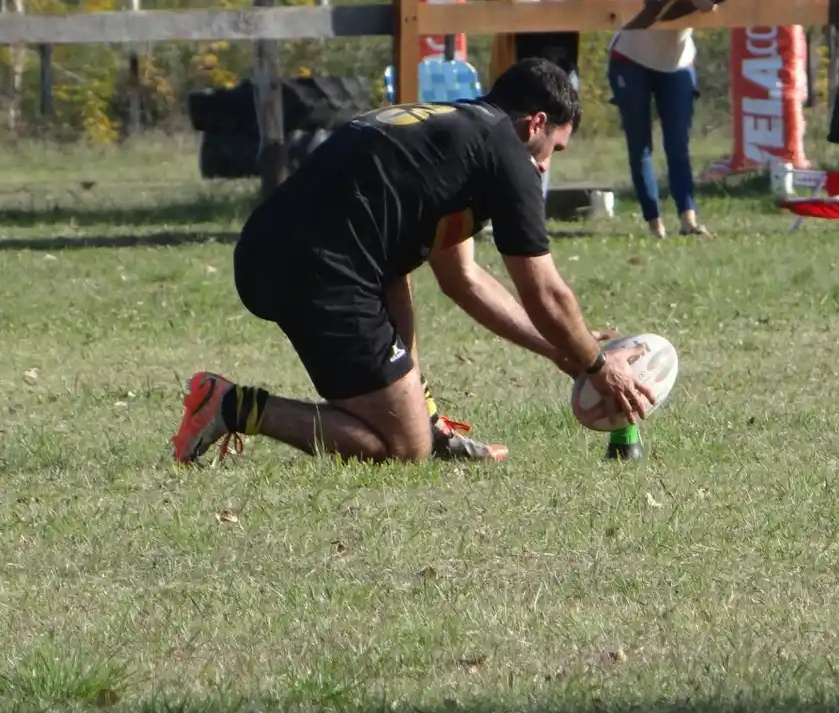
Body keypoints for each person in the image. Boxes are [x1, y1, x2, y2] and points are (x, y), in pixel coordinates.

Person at [172, 58, 654, 466]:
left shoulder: (456, 133)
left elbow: (463, 279)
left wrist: (559, 348)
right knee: (403, 448)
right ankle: (231, 404)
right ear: (535, 124)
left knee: (396, 277)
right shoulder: (507, 154)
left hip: (275, 250)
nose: (547, 165)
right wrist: (596, 366)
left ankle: (423, 419)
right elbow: (545, 292)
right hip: (318, 269)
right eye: (555, 148)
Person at [607, 0, 729, 239]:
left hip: (676, 64)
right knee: (640, 144)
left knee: (678, 144)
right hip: (631, 58)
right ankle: (653, 222)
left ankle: (688, 218)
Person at [484, 0, 613, 205]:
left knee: (546, 147)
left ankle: (533, 210)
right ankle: (504, 209)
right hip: (520, 76)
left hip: (561, 75)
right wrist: (535, 2)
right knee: (513, 144)